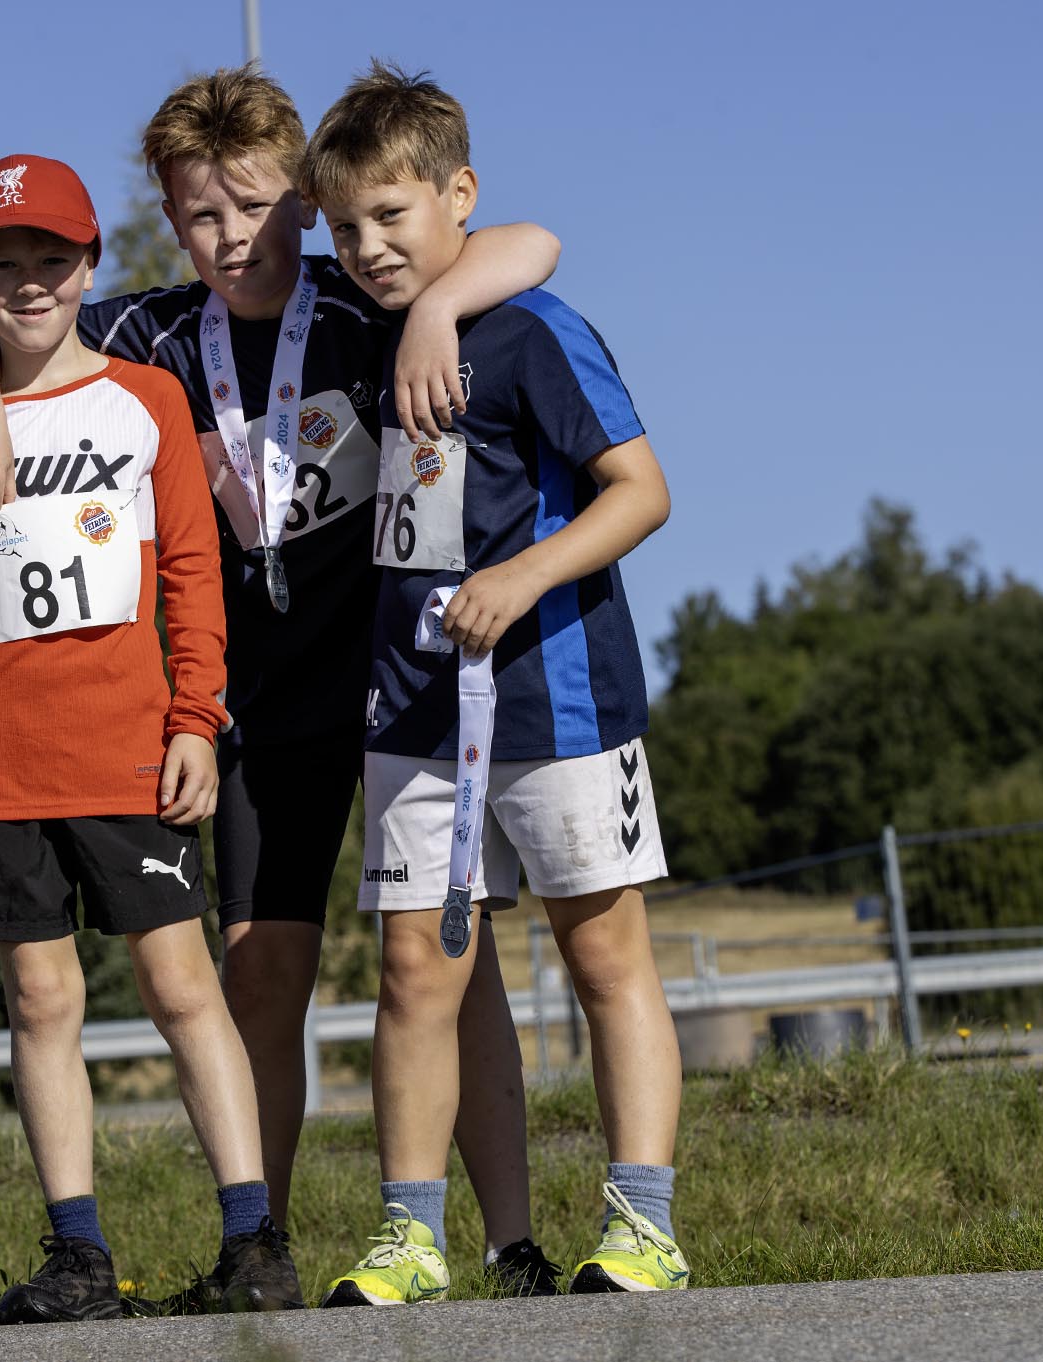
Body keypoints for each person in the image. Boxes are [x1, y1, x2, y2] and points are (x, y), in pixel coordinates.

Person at [0, 66, 567, 1297]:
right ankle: (255, 1242)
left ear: (306, 200)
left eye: (256, 207)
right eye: (197, 216)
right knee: (258, 969)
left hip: (393, 686)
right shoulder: (149, 333)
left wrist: (436, 317)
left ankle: (509, 1241)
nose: (231, 240)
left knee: (453, 963)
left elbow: (531, 243)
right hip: (241, 708)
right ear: (167, 224)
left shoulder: (368, 301)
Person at [302, 63, 687, 1305]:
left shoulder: (534, 331)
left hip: (559, 704)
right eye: (346, 225)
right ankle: (410, 1236)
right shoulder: (353, 333)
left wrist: (520, 580)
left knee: (602, 958)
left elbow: (643, 492)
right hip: (410, 712)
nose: (366, 248)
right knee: (416, 971)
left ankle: (642, 1224)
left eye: (392, 218)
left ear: (456, 198)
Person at [0, 152, 302, 1323]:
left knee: (183, 987)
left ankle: (251, 1238)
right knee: (39, 999)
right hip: (0, 765)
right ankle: (78, 1256)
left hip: (130, 748)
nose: (27, 283)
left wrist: (194, 717)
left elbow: (190, 569)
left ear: (90, 267)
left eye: (50, 260)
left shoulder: (146, 402)